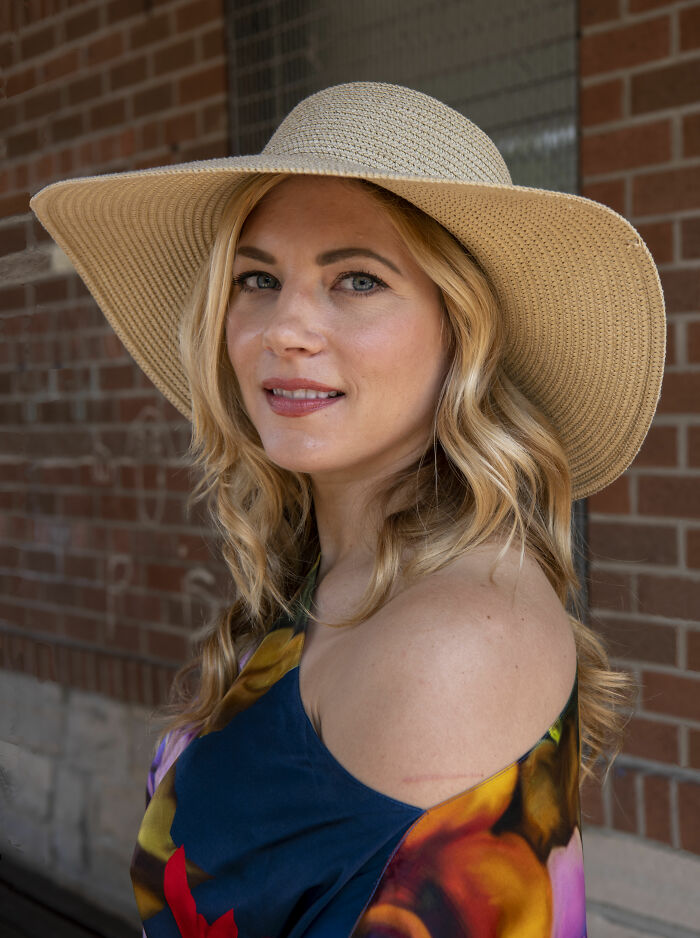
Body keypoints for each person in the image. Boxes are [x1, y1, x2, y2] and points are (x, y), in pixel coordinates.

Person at [31, 82, 665, 938]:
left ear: (463, 332)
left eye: (357, 279)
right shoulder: (338, 575)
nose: (283, 328)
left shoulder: (454, 644)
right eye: (258, 278)